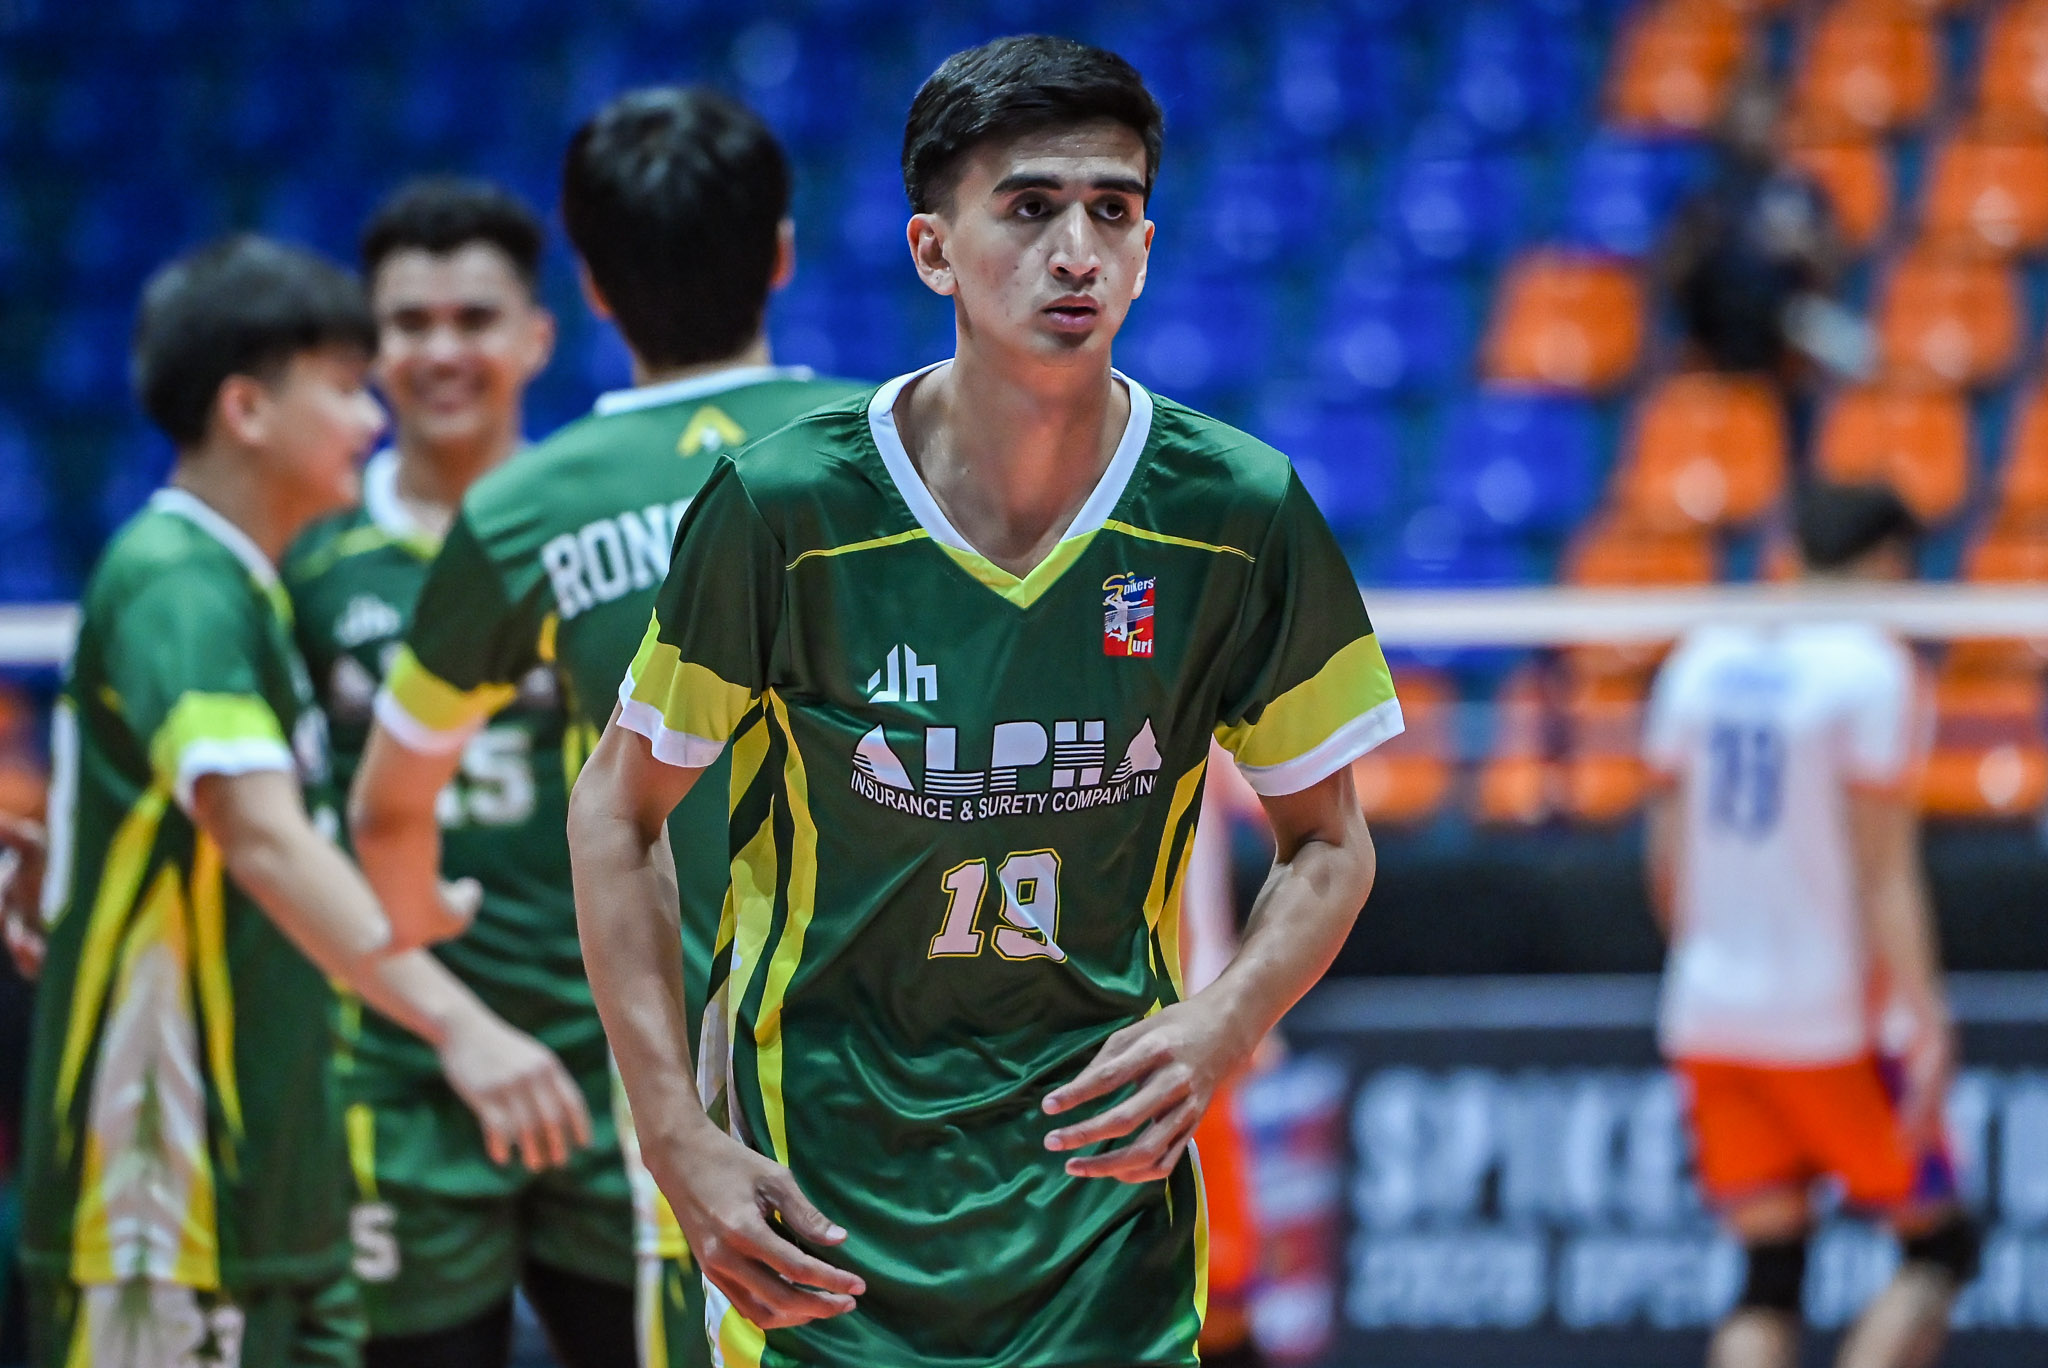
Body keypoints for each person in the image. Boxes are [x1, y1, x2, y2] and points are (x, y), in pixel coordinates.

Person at [568, 35, 1398, 1368]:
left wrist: (1223, 1023)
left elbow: (1331, 842)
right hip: (821, 1218)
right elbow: (617, 813)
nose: (1076, 251)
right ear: (931, 249)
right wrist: (676, 1138)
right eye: (1028, 208)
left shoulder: (1237, 514)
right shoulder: (786, 509)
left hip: (1102, 1223)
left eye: (1112, 211)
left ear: (1145, 248)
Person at [344, 90, 857, 1368]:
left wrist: (423, 915)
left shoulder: (527, 510)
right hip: (942, 1061)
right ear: (781, 254)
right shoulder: (912, 441)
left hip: (699, 1116)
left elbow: (386, 807)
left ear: (586, 287)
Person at [15, 235, 586, 1368]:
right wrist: (461, 1025)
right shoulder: (180, 581)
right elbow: (263, 838)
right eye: (343, 388)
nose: (373, 419)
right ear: (246, 409)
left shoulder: (243, 585)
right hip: (161, 1205)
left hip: (260, 1198)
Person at [281, 178, 647, 1368]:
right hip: (399, 1068)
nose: (441, 351)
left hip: (611, 1060)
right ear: (369, 349)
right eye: (410, 323)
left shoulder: (601, 540)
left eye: (474, 320)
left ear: (536, 338)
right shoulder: (311, 557)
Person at [1643, 482, 1979, 1368]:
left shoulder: (1704, 654)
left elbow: (1665, 861)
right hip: (1829, 1019)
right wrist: (1926, 1014)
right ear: (1889, 563)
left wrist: (1711, 956)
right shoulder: (1872, 666)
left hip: (1709, 1011)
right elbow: (1883, 872)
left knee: (1769, 1274)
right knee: (1942, 1249)